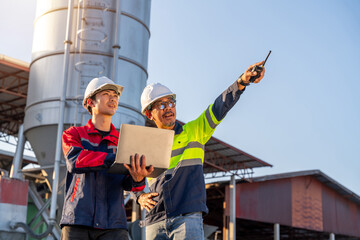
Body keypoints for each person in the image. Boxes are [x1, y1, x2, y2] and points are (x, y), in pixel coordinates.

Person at [137, 61, 266, 239]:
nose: (168, 108)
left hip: (187, 219)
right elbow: (126, 177)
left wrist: (242, 82)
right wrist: (139, 196)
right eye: (160, 105)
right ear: (149, 114)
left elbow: (220, 106)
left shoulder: (195, 131)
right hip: (155, 222)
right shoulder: (144, 146)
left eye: (171, 102)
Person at [60, 76, 154, 240]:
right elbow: (75, 161)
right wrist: (115, 159)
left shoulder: (124, 141)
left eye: (115, 95)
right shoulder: (73, 134)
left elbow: (128, 183)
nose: (113, 98)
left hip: (114, 226)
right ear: (90, 102)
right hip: (77, 221)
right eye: (106, 93)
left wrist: (138, 178)